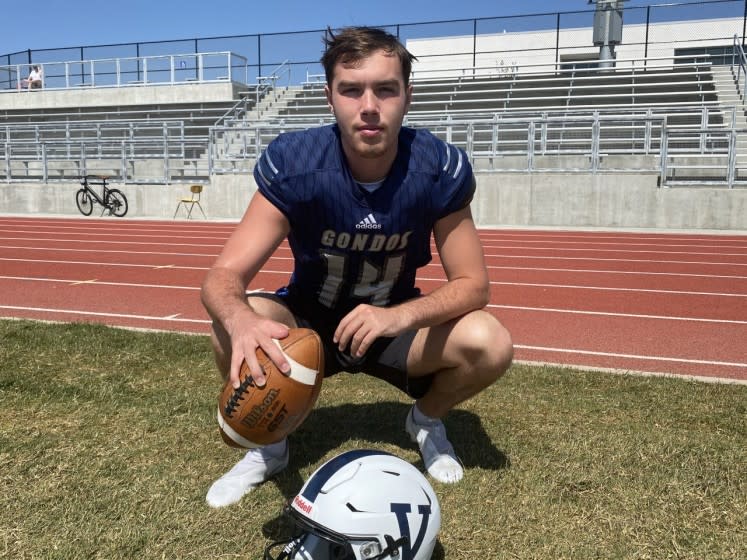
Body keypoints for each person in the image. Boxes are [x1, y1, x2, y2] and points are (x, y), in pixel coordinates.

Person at [200, 26, 514, 509]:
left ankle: (426, 420)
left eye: (385, 88)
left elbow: (474, 285)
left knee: (490, 342)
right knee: (228, 327)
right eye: (352, 89)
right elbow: (222, 278)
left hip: (393, 329)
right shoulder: (297, 161)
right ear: (330, 97)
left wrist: (397, 317)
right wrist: (241, 320)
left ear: (407, 95)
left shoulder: (436, 166)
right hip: (309, 327)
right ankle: (272, 446)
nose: (369, 105)